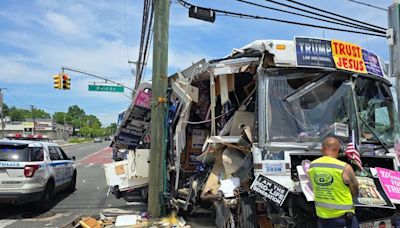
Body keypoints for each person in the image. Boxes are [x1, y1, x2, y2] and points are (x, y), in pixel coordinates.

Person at [308, 137, 359, 228]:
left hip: (322, 217)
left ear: (322, 149)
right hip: (343, 218)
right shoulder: (344, 167)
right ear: (338, 149)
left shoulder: (312, 166)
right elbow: (354, 187)